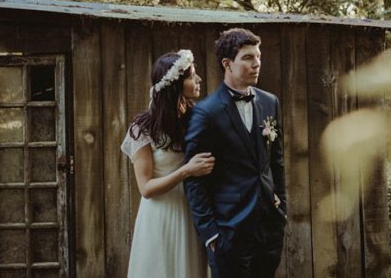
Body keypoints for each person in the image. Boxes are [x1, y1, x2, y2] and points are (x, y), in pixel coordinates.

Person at [184, 28, 287, 278]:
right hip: (228, 231)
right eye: (248, 58)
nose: (257, 64)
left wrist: (281, 207)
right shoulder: (206, 112)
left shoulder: (270, 102)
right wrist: (211, 234)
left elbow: (277, 161)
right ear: (227, 64)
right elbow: (194, 179)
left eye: (258, 57)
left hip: (268, 228)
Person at [120, 50, 215, 278]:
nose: (199, 79)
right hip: (160, 215)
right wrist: (186, 170)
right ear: (176, 84)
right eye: (192, 76)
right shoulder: (142, 129)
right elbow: (146, 188)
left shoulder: (197, 120)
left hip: (192, 212)